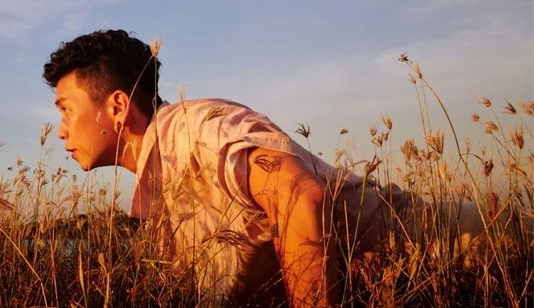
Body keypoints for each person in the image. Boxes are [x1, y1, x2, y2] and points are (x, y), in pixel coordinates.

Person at [41, 30, 486, 307]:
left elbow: (300, 196)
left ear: (117, 106)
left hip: (472, 249)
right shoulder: (160, 191)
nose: (60, 130)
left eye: (65, 109)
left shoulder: (197, 127)